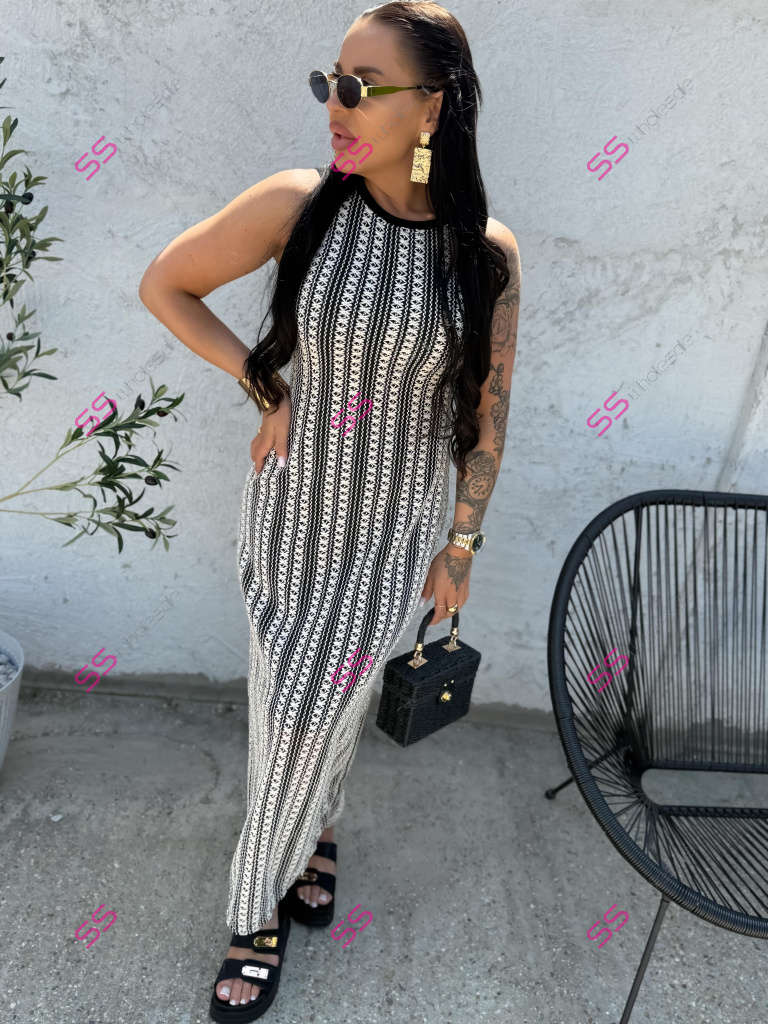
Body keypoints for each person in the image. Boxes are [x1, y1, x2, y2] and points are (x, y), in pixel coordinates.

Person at [138, 2, 520, 1019]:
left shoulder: (484, 255)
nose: (335, 105)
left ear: (431, 107)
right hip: (290, 515)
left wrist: (461, 545)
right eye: (329, 82)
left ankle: (253, 914)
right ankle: (317, 835)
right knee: (293, 706)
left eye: (360, 86)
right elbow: (167, 285)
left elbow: (488, 413)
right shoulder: (297, 204)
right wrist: (262, 381)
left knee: (312, 714)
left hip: (392, 534)